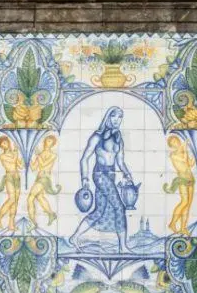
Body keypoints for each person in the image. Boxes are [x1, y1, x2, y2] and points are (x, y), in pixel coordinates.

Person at [69, 107, 133, 252]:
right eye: (114, 116)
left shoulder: (119, 138)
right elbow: (84, 159)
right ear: (108, 118)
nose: (117, 120)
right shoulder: (97, 136)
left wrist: (128, 175)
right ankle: (123, 247)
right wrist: (84, 179)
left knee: (99, 211)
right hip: (99, 175)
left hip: (111, 175)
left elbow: (120, 162)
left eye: (120, 117)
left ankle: (74, 237)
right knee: (119, 207)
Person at [164, 135, 195, 235]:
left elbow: (190, 163)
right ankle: (172, 223)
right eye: (173, 142)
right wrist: (184, 148)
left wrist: (194, 156)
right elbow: (183, 160)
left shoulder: (183, 151)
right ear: (171, 145)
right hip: (182, 179)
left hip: (191, 178)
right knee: (184, 202)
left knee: (188, 206)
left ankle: (183, 227)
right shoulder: (173, 154)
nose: (175, 142)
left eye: (176, 140)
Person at [27, 134, 59, 226]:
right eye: (46, 140)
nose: (46, 143)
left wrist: (38, 155)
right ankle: (51, 214)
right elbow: (33, 168)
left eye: (49, 141)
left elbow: (44, 165)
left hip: (45, 178)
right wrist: (29, 159)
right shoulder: (40, 154)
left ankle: (33, 222)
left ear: (52, 144)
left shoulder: (53, 155)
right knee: (40, 197)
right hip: (39, 177)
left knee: (30, 198)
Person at [0, 135, 22, 231]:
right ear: (1, 146)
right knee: (11, 199)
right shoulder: (2, 156)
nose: (5, 145)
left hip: (17, 177)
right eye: (3, 144)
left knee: (15, 202)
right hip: (9, 177)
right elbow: (13, 160)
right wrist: (16, 153)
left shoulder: (13, 153)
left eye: (6, 142)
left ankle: (11, 224)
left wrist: (20, 157)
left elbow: (19, 165)